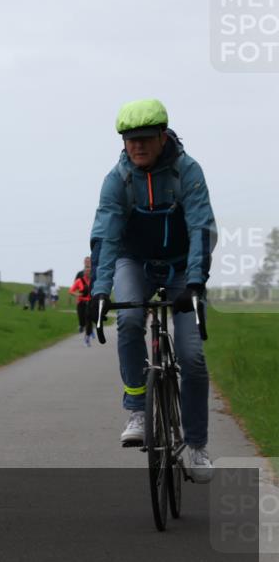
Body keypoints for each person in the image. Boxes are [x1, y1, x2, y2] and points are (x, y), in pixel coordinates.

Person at [89, 99, 217, 482]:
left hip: (181, 268)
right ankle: (138, 410)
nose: (137, 146)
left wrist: (195, 283)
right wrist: (99, 293)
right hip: (135, 262)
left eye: (145, 138)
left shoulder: (187, 172)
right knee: (128, 320)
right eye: (130, 140)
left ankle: (195, 446)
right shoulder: (118, 180)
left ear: (163, 136)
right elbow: (105, 238)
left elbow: (201, 230)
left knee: (192, 358)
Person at [68, 260, 93, 346]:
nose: (88, 272)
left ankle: (87, 338)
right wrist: (77, 294)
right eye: (86, 271)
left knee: (88, 321)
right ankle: (82, 326)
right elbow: (71, 291)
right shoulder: (79, 281)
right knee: (82, 321)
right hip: (81, 303)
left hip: (90, 303)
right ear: (84, 272)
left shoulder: (94, 280)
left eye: (89, 271)